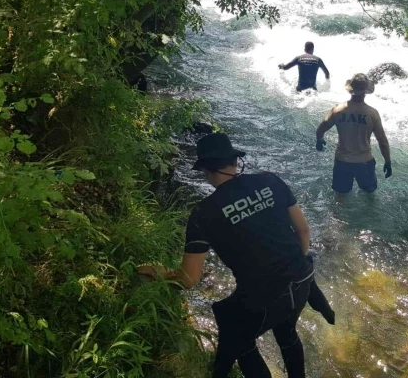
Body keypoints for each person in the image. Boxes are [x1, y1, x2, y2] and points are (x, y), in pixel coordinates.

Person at [137, 132, 333, 378]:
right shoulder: (270, 180)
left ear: (206, 169)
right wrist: (294, 268)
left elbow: (188, 279)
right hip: (302, 280)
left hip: (263, 297)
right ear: (235, 161)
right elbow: (303, 230)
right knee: (287, 334)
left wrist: (161, 274)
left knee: (242, 341)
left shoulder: (203, 213)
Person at [315, 74, 392, 196]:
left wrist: (320, 140)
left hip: (342, 161)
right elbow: (382, 142)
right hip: (364, 162)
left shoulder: (337, 110)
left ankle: (336, 216)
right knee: (370, 195)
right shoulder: (372, 113)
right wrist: (388, 161)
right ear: (365, 92)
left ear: (351, 90)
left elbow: (320, 129)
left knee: (340, 196)